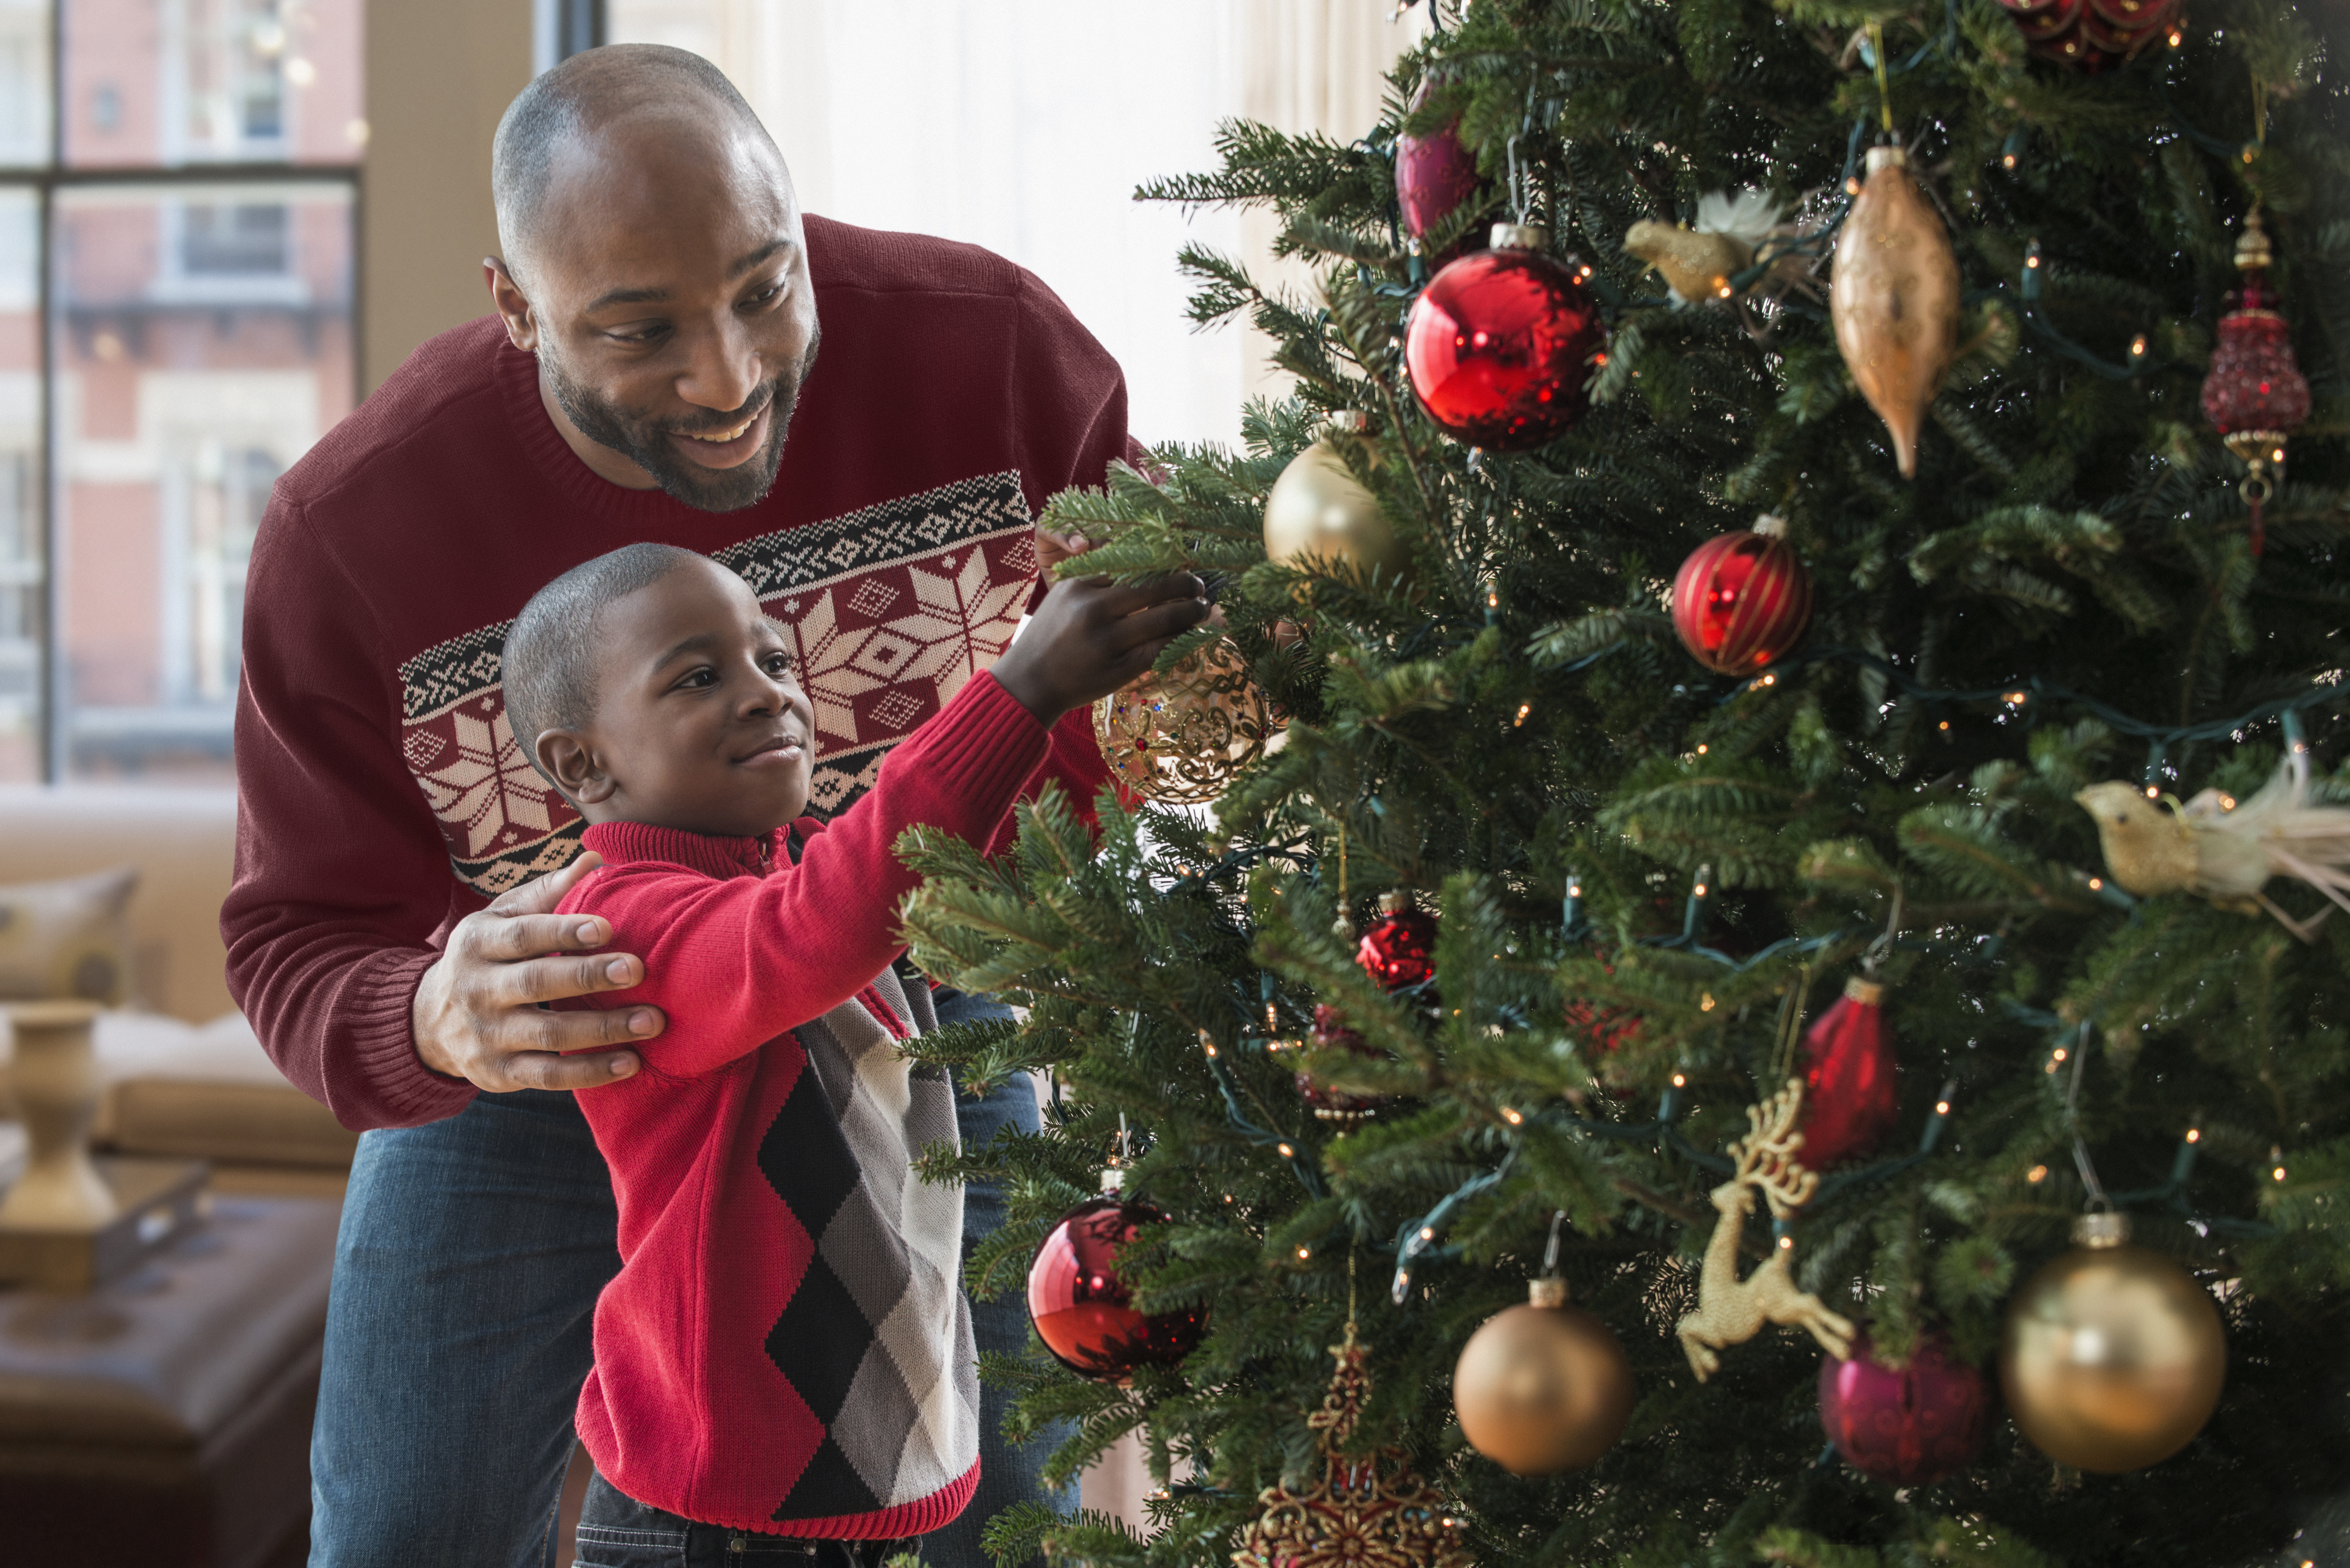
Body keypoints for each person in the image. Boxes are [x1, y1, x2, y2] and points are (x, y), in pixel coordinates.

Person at [221, 43, 1128, 1568]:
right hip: (551, 1051)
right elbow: (297, 940)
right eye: (638, 331)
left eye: (763, 288)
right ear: (516, 309)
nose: (726, 375)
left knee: (1001, 1515)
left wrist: (1062, 896)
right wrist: (436, 1018)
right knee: (404, 1528)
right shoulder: (355, 530)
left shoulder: (991, 356)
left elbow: (1158, 675)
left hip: (926, 1014)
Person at [492, 543, 1203, 1558]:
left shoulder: (783, 869)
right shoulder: (623, 928)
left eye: (775, 663)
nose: (765, 697)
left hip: (853, 1489)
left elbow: (987, 857)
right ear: (581, 762)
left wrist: (1101, 706)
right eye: (699, 678)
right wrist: (1018, 689)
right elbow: (817, 924)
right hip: (711, 1520)